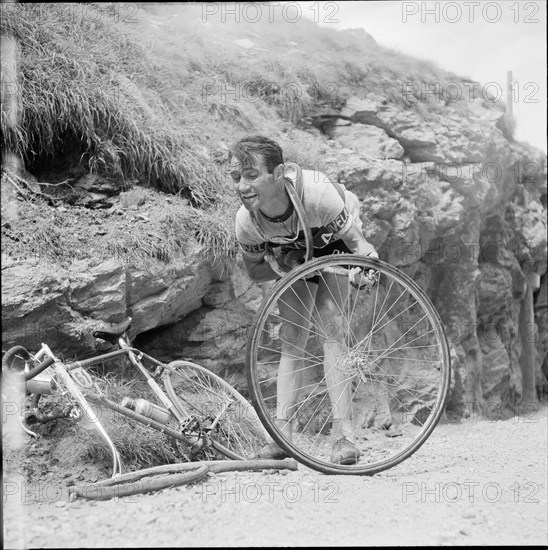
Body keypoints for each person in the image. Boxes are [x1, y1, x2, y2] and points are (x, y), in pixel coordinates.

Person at [229, 135, 379, 465]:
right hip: (292, 250)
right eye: (236, 177)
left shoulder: (317, 193)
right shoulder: (247, 222)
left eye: (252, 175)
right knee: (292, 338)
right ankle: (282, 437)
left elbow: (360, 245)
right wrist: (288, 264)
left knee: (331, 330)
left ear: (279, 172)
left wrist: (363, 268)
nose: (242, 185)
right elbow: (256, 273)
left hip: (330, 236)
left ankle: (343, 436)